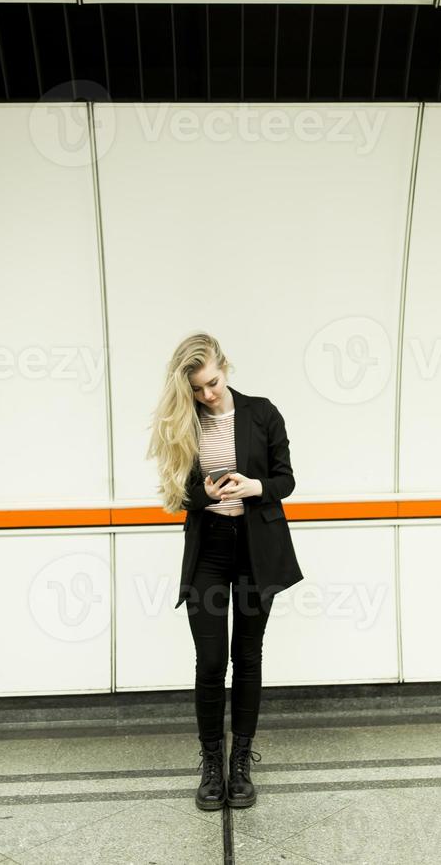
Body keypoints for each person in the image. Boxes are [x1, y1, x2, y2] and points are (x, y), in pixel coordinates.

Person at [147, 332, 304, 810]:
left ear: (225, 367)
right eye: (197, 388)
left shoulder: (262, 412)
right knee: (211, 662)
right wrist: (207, 496)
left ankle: (240, 765)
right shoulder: (184, 423)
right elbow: (178, 495)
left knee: (248, 656)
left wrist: (255, 485)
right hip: (210, 552)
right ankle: (212, 763)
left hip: (255, 550)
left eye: (211, 383)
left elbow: (286, 478)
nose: (207, 394)